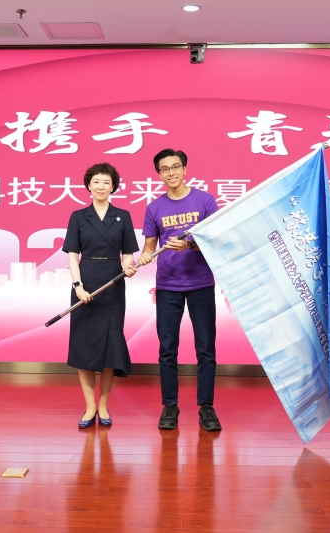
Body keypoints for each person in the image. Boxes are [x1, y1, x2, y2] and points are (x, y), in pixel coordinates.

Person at [138, 148, 221, 432]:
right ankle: (170, 406)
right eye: (164, 169)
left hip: (201, 284)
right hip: (168, 286)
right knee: (167, 350)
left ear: (185, 169)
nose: (170, 173)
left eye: (175, 167)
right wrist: (144, 257)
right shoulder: (154, 208)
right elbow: (149, 247)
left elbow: (216, 240)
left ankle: (206, 407)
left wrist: (189, 244)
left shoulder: (205, 201)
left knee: (206, 349)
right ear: (159, 174)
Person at [62, 163, 139, 429]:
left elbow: (128, 253)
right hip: (85, 283)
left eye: (106, 182)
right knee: (85, 346)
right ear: (88, 185)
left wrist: (128, 267)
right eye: (96, 181)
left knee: (110, 346)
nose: (101, 186)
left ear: (113, 186)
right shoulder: (78, 216)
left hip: (113, 284)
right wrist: (78, 286)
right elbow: (73, 255)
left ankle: (103, 405)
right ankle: (89, 407)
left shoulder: (123, 216)